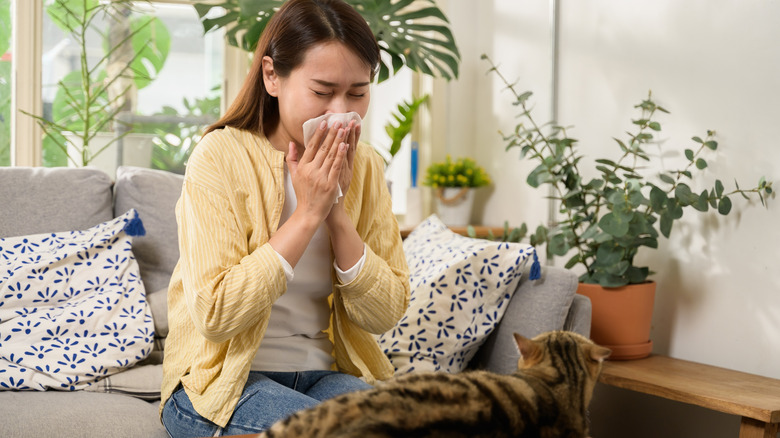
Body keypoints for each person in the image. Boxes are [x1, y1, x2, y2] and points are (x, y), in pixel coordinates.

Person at [159, 0, 410, 436]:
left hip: (322, 373)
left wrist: (336, 210)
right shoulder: (220, 155)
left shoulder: (365, 165)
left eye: (357, 92)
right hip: (222, 383)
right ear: (272, 76)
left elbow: (385, 312)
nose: (340, 112)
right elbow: (215, 314)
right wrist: (308, 213)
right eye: (322, 91)